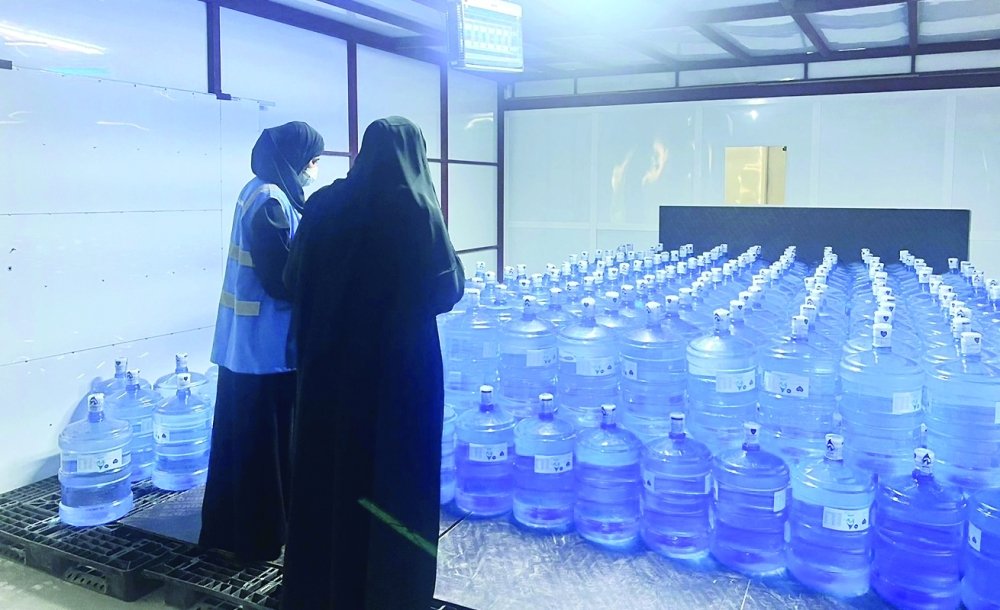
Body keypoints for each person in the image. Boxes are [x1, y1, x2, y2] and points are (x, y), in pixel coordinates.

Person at [281, 117, 465, 609]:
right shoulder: (416, 209)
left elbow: (291, 278)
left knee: (329, 474)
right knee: (394, 482)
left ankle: (321, 591)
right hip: (397, 381)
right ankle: (390, 593)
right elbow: (447, 289)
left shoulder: (323, 204)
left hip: (328, 372)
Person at [200, 121, 324, 562]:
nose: (313, 170)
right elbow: (279, 277)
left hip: (246, 343)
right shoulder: (271, 200)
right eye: (312, 161)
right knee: (262, 450)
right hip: (264, 347)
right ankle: (258, 536)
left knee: (242, 444)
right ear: (294, 159)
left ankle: (234, 529)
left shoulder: (257, 190)